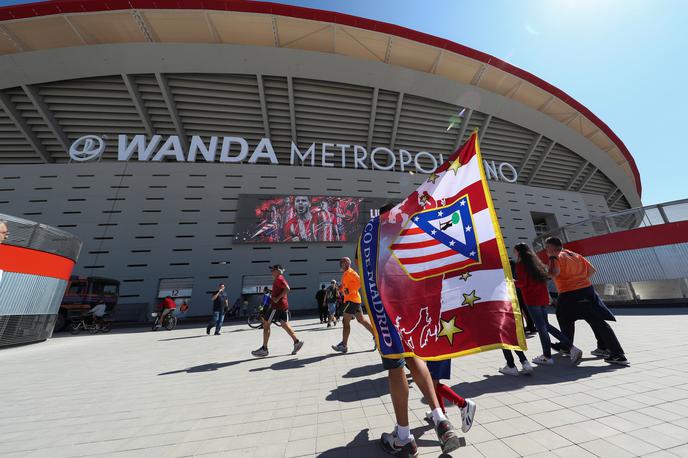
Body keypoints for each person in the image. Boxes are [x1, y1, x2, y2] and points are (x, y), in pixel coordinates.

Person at [371, 203, 462, 456]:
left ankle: (403, 436)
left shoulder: (375, 239)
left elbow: (368, 276)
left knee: (395, 366)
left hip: (387, 309)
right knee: (415, 358)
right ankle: (440, 418)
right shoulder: (413, 237)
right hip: (411, 309)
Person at [545, 237, 629, 366]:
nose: (546, 251)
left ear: (550, 247)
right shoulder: (575, 255)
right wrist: (580, 280)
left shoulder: (556, 257)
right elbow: (592, 271)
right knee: (594, 319)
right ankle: (602, 347)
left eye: (547, 248)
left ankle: (617, 354)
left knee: (567, 318)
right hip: (587, 290)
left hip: (570, 293)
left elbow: (554, 273)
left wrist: (546, 272)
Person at [513, 243, 582, 366]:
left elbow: (523, 283)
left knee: (542, 328)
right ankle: (571, 348)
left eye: (515, 252)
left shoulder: (520, 265)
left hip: (531, 299)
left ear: (519, 252)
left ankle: (548, 356)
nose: (514, 254)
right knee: (546, 325)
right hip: (543, 298)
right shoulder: (537, 263)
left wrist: (513, 282)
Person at [251, 265, 304, 357]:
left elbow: (287, 288)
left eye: (273, 270)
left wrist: (277, 298)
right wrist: (273, 293)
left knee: (266, 324)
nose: (271, 272)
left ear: (278, 271)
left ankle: (264, 349)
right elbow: (282, 290)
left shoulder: (279, 278)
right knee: (284, 324)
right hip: (283, 306)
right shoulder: (279, 279)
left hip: (276, 307)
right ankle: (297, 342)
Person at [331, 257, 376, 353]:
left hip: (352, 300)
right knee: (362, 320)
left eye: (342, 262)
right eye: (340, 262)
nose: (340, 264)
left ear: (347, 263)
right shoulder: (345, 274)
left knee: (345, 321)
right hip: (354, 300)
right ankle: (377, 337)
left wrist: (349, 290)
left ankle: (344, 345)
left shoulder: (352, 273)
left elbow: (360, 282)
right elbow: (345, 287)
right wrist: (341, 288)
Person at [425, 360, 477, 434]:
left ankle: (463, 404)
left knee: (431, 384)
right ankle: (441, 412)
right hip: (435, 350)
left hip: (435, 350)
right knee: (433, 381)